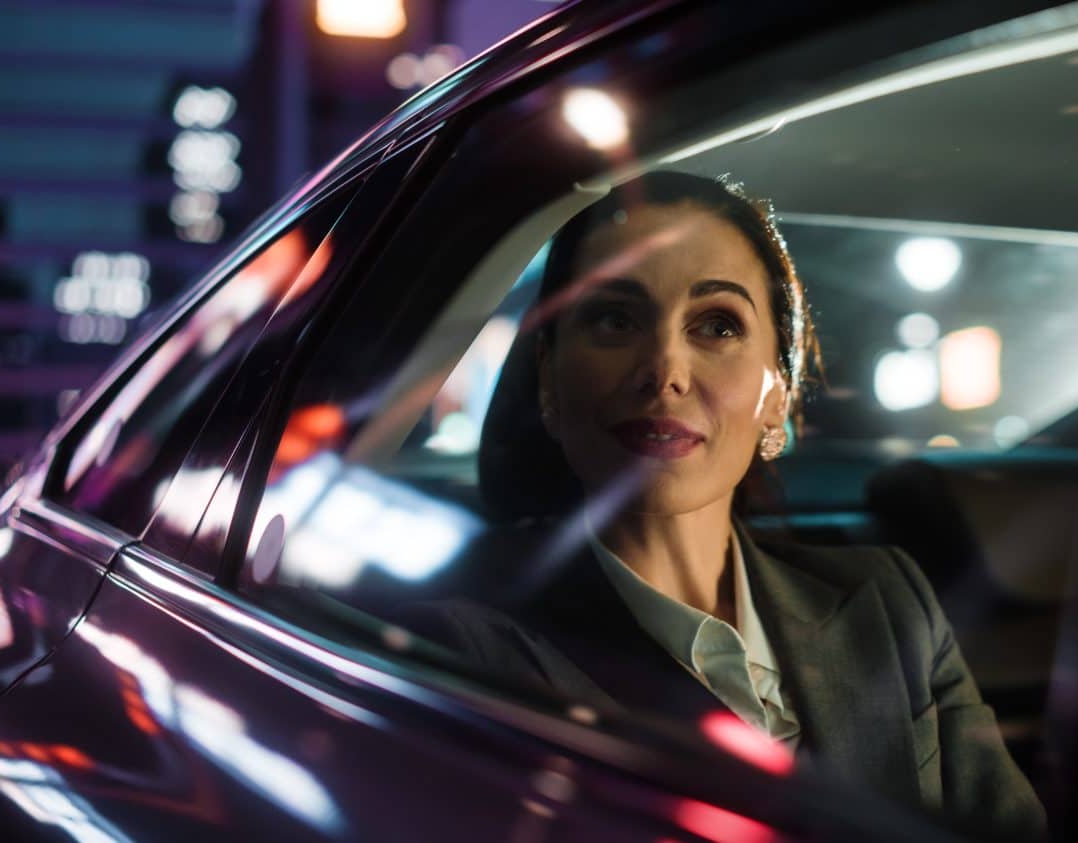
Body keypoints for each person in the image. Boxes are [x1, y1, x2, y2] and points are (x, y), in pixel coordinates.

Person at [430, 171, 1045, 840]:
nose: (664, 367)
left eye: (717, 325)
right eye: (614, 318)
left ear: (777, 391)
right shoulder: (466, 653)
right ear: (547, 375)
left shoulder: (888, 601)